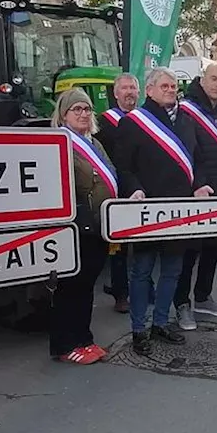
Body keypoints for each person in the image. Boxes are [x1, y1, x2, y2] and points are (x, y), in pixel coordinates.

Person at [111, 67, 213, 356]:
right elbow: (124, 165)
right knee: (142, 271)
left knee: (172, 270)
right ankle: (139, 329)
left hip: (179, 211)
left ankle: (160, 323)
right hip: (147, 210)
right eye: (165, 86)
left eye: (173, 87)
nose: (171, 90)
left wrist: (200, 185)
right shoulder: (133, 122)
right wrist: (133, 188)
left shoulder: (186, 122)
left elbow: (198, 160)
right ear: (150, 90)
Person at [49, 89, 116, 364]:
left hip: (99, 224)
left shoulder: (95, 144)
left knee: (87, 284)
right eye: (76, 109)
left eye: (87, 109)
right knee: (71, 287)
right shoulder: (59, 144)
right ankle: (66, 344)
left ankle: (84, 338)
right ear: (63, 115)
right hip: (76, 226)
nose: (83, 114)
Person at [173, 63, 217, 331]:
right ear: (203, 79)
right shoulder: (186, 110)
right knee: (190, 251)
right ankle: (181, 303)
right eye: (214, 79)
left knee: (213, 246)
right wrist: (197, 184)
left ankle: (203, 297)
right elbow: (186, 152)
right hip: (196, 192)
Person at [98, 72, 140, 313]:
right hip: (116, 189)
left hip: (140, 187)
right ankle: (120, 293)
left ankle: (143, 288)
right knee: (119, 247)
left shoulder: (145, 120)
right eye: (124, 88)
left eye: (133, 88)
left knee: (144, 244)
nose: (129, 92)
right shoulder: (104, 123)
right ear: (116, 94)